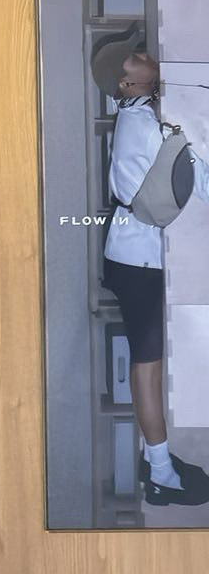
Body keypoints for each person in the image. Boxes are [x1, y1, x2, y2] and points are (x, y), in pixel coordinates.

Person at [92, 35, 209, 507]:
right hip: (136, 261)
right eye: (133, 57)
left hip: (132, 257)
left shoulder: (140, 116)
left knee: (150, 361)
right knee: (148, 363)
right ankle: (160, 475)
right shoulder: (145, 126)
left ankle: (157, 462)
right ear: (127, 83)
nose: (143, 54)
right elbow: (197, 181)